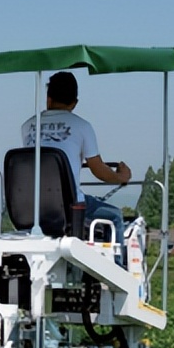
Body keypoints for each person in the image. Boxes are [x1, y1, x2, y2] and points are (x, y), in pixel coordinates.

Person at [20, 70, 131, 258]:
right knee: (115, 217)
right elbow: (98, 169)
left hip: (31, 205)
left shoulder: (27, 127)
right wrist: (121, 176)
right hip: (69, 206)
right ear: (74, 102)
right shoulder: (82, 126)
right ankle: (118, 269)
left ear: (48, 98)